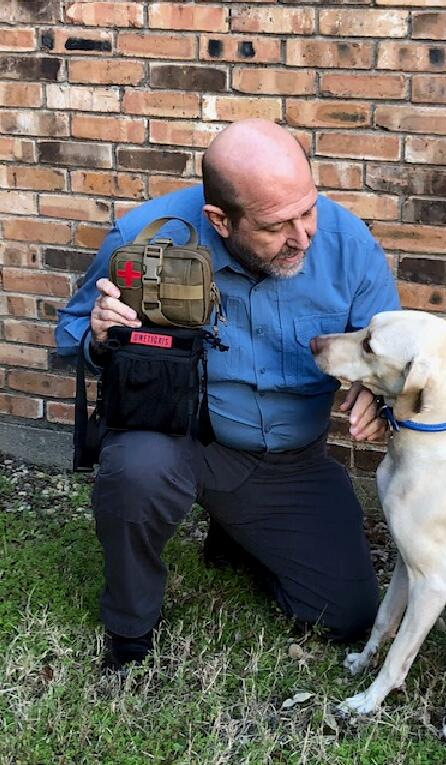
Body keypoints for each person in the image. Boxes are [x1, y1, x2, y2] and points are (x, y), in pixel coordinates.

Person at [56, 119, 401, 671]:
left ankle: (237, 533)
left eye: (307, 209)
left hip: (289, 462)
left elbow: (389, 350)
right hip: (179, 436)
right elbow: (67, 334)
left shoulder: (347, 243)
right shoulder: (145, 236)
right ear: (220, 220)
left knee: (348, 614)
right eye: (276, 225)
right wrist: (97, 335)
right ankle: (130, 629)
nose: (303, 235)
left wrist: (379, 398)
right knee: (135, 469)